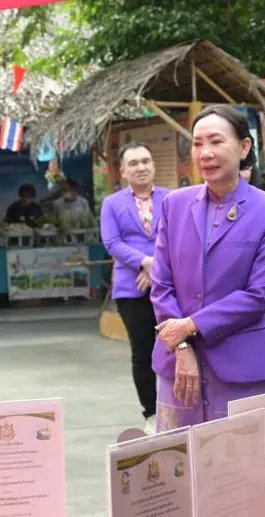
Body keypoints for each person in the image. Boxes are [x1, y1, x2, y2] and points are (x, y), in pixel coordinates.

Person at [151, 104, 265, 431]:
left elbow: (257, 295)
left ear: (244, 147)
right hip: (176, 368)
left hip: (242, 370)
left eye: (216, 141)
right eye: (197, 143)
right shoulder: (174, 206)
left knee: (246, 471)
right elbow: (161, 285)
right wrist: (181, 344)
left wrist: (191, 325)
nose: (205, 153)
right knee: (179, 470)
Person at [100, 141, 170, 435]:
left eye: (146, 161)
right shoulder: (112, 204)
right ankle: (152, 413)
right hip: (131, 289)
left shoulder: (171, 199)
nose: (141, 167)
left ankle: (175, 407)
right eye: (134, 163)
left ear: (153, 166)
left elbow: (178, 237)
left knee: (175, 348)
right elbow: (112, 243)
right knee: (142, 353)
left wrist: (158, 269)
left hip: (167, 285)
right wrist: (145, 262)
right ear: (123, 172)